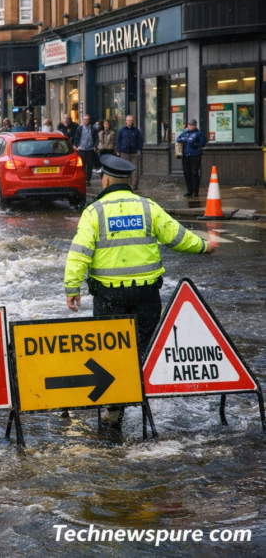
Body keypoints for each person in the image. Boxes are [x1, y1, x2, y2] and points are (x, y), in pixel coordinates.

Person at [64, 155, 216, 427]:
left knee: (110, 353)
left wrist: (72, 287)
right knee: (145, 348)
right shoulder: (148, 207)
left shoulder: (95, 211)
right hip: (147, 296)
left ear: (106, 180)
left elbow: (79, 253)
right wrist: (204, 245)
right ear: (129, 181)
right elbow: (178, 237)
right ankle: (148, 403)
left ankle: (114, 409)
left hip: (109, 297)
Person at [176, 119, 207, 197]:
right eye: (189, 125)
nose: (190, 127)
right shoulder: (185, 132)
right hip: (186, 156)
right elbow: (177, 139)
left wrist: (194, 144)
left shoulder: (199, 134)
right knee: (187, 173)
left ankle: (195, 191)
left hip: (195, 156)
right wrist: (182, 139)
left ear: (195, 126)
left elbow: (202, 143)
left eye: (192, 125)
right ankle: (189, 190)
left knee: (194, 173)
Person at [115, 115, 143, 191]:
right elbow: (118, 140)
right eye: (129, 120)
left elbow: (140, 140)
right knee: (125, 170)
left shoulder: (136, 130)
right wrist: (118, 149)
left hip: (134, 152)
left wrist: (139, 149)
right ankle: (126, 185)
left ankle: (134, 185)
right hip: (124, 152)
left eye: (132, 120)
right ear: (126, 121)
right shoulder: (122, 130)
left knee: (135, 170)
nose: (131, 122)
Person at [72, 114, 99, 185]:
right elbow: (76, 138)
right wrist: (75, 146)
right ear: (83, 120)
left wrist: (94, 146)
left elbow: (96, 138)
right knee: (82, 166)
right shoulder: (79, 128)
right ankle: (82, 179)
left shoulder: (93, 129)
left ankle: (88, 180)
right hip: (81, 149)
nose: (86, 121)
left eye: (87, 119)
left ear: (89, 120)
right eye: (85, 119)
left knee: (89, 165)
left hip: (90, 149)